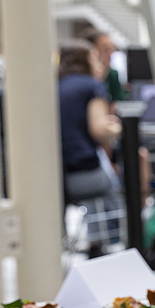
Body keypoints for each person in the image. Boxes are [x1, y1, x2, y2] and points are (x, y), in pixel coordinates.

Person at [58, 38, 122, 204]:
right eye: (95, 59)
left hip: (61, 172)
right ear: (85, 62)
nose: (100, 65)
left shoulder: (60, 85)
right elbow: (99, 129)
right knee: (117, 184)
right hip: (83, 172)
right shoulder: (91, 86)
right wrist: (119, 128)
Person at [82, 27, 125, 102]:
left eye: (112, 49)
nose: (110, 54)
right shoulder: (82, 79)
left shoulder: (112, 74)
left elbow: (116, 104)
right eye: (106, 49)